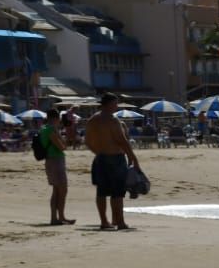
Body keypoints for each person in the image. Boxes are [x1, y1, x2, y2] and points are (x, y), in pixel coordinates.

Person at [85, 93, 142, 230]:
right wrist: (133, 158)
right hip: (115, 158)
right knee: (117, 192)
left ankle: (104, 221)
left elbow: (87, 141)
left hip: (100, 158)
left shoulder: (93, 120)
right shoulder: (113, 120)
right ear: (109, 104)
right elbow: (121, 140)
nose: (116, 106)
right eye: (115, 103)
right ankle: (119, 221)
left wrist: (98, 152)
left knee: (101, 192)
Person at [36, 110, 74, 225]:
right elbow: (62, 146)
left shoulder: (44, 128)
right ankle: (57, 218)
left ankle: (58, 217)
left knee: (57, 190)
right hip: (55, 160)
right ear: (56, 118)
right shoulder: (50, 129)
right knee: (62, 190)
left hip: (51, 160)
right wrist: (61, 135)